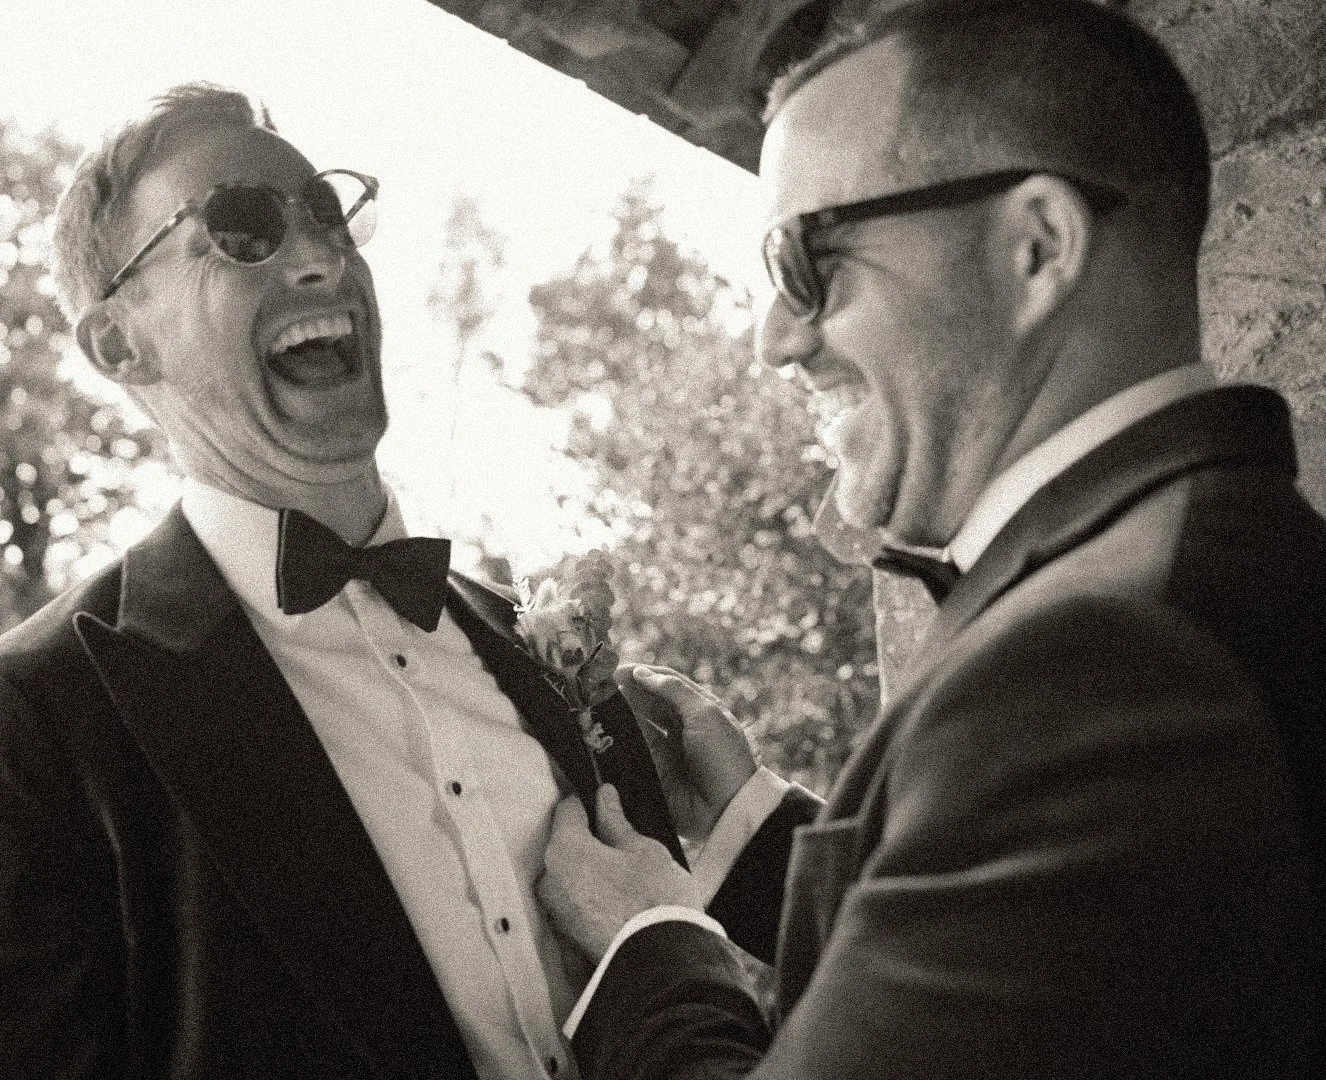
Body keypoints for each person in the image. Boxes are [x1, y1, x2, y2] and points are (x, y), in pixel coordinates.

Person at [536, 1, 1326, 1077]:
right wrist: (759, 839)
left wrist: (654, 949)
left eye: (808, 259)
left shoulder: (1099, 668)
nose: (774, 339)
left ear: (1036, 246)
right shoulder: (1217, 562)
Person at [0, 82, 699, 1079]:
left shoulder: (541, 651)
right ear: (119, 343)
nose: (322, 257)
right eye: (241, 228)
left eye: (325, 213)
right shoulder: (36, 719)